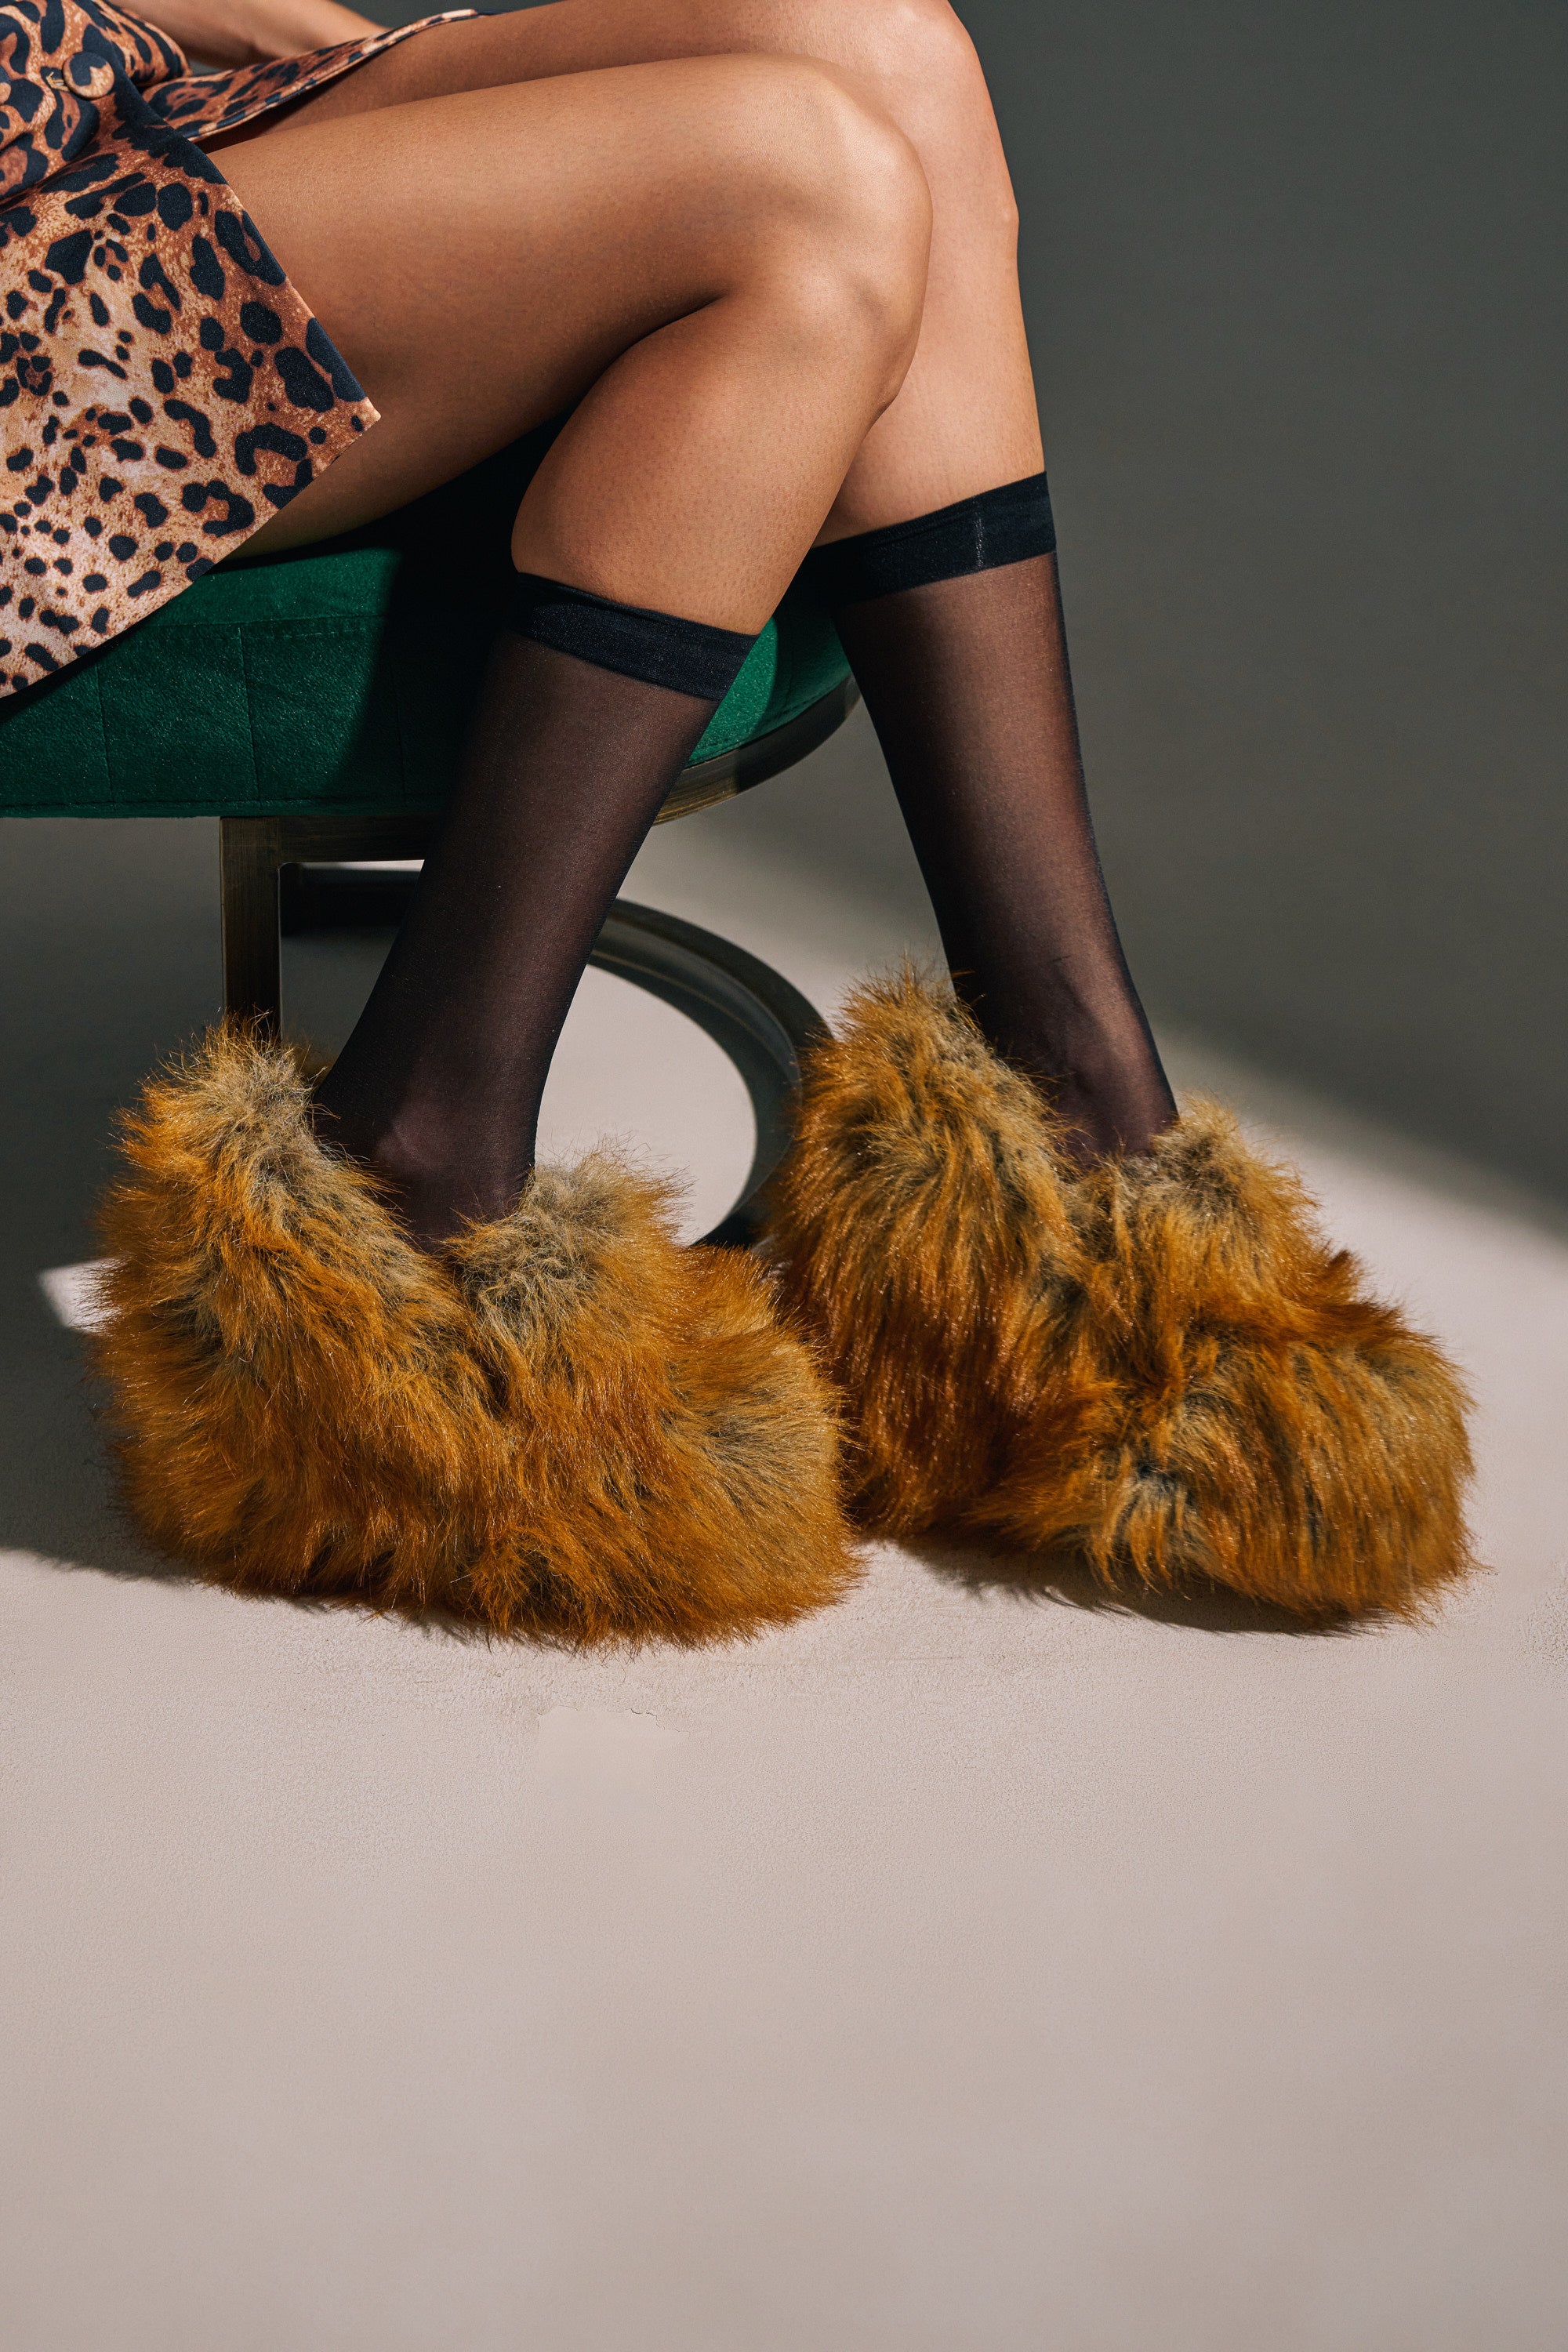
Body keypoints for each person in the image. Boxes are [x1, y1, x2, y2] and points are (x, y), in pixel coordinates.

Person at [43, 0, 1469, 1639]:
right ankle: (417, 1151)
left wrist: (299, 48)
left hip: (86, 97)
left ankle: (1067, 1104)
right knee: (804, 191)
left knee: (882, 47)